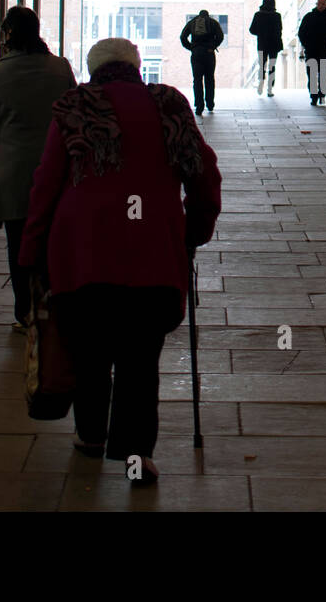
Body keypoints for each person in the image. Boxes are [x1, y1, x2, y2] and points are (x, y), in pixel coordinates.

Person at [19, 39, 221, 486]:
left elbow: (46, 185)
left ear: (92, 71)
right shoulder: (168, 103)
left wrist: (31, 252)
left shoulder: (74, 106)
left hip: (81, 256)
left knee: (88, 349)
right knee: (139, 358)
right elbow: (203, 172)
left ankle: (91, 436)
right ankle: (136, 456)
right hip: (152, 255)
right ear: (135, 67)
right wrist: (194, 230)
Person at [0, 7, 76, 329]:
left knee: (19, 246)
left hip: (14, 175)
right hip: (58, 171)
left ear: (8, 33)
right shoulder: (60, 68)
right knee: (54, 242)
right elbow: (73, 115)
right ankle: (53, 304)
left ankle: (26, 312)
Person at [179, 9, 224, 116]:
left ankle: (199, 106)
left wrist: (191, 47)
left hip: (196, 53)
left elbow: (182, 37)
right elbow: (221, 36)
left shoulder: (192, 22)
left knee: (197, 80)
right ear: (208, 15)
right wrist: (213, 46)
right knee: (209, 78)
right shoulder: (213, 23)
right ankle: (210, 104)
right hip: (209, 53)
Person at [298, 0, 326, 105]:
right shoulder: (308, 17)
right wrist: (306, 44)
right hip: (311, 51)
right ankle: (314, 96)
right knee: (312, 73)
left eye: (324, 4)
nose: (322, 5)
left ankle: (322, 94)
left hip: (324, 50)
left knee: (323, 73)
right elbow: (301, 33)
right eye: (320, 3)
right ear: (317, 4)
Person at [248, 0, 283, 97]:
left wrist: (261, 32)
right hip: (274, 45)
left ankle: (261, 82)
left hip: (262, 44)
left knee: (262, 65)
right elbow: (280, 29)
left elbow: (252, 30)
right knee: (272, 66)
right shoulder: (277, 16)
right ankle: (270, 89)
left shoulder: (258, 15)